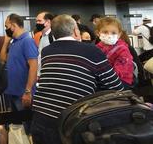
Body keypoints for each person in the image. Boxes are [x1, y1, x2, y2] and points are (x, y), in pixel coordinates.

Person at [31, 15, 123, 144]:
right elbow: (116, 86)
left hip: (40, 118)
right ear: (75, 31)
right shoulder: (92, 50)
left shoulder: (47, 51)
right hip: (71, 122)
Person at [0, 14, 38, 133]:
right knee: (17, 129)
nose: (5, 29)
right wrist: (6, 42)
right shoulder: (14, 42)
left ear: (13, 25)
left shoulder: (27, 41)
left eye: (6, 26)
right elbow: (2, 59)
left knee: (28, 129)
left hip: (22, 94)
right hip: (13, 93)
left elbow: (33, 66)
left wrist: (27, 91)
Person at [95, 17, 135, 88]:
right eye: (105, 32)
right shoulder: (95, 48)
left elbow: (120, 71)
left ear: (119, 34)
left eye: (113, 33)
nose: (109, 35)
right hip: (102, 80)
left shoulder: (122, 49)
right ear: (98, 33)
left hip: (121, 80)